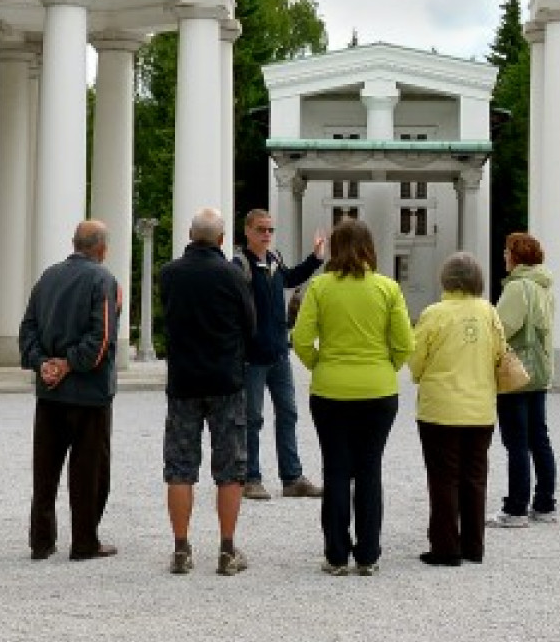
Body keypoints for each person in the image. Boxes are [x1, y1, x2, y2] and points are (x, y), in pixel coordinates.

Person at [290, 218, 413, 576]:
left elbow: (300, 339)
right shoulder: (388, 288)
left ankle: (336, 554)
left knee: (336, 470)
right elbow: (405, 343)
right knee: (370, 470)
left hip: (331, 390)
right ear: (369, 248)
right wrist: (386, 367)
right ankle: (368, 554)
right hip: (377, 390)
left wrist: (319, 364)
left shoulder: (320, 287)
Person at [157, 208, 256, 576]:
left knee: (179, 468)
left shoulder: (169, 274)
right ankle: (227, 549)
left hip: (183, 381)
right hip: (225, 380)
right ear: (221, 239)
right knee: (230, 469)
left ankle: (181, 549)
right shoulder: (233, 275)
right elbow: (250, 324)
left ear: (189, 234)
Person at [18, 220, 123, 561]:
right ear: (102, 249)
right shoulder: (103, 280)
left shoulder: (47, 277)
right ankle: (84, 541)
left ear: (74, 243)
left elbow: (28, 328)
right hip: (89, 394)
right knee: (89, 471)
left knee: (45, 470)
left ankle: (41, 541)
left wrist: (41, 363)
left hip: (50, 392)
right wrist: (69, 364)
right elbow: (102, 338)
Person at [408, 252, 506, 567]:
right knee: (475, 477)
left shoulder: (434, 313)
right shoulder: (489, 311)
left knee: (443, 478)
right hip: (480, 408)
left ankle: (445, 547)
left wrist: (420, 376)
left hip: (441, 408)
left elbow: (416, 358)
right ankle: (473, 545)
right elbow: (500, 353)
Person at [235, 209, 326, 501]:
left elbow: (290, 279)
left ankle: (292, 478)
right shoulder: (240, 265)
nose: (267, 234)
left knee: (288, 414)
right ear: (247, 231)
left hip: (279, 354)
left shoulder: (274, 259)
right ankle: (250, 478)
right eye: (261, 229)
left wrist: (315, 259)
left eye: (270, 230)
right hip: (252, 357)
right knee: (252, 419)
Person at [488, 232, 557, 528]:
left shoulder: (518, 287)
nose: (504, 256)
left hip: (517, 372)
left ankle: (516, 508)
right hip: (540, 370)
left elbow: (501, 328)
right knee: (539, 439)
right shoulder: (544, 285)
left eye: (507, 252)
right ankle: (545, 503)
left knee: (516, 441)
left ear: (516, 256)